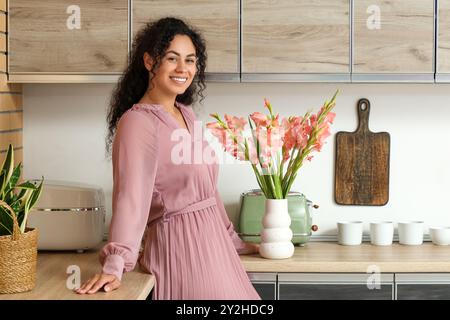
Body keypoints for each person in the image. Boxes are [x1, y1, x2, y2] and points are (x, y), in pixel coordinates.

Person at [75, 17, 261, 300]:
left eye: (190, 60)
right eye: (172, 58)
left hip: (217, 252)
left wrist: (233, 240)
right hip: (183, 253)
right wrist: (115, 265)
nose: (183, 69)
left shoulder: (185, 114)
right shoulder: (137, 123)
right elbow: (130, 199)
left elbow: (208, 190)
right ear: (150, 61)